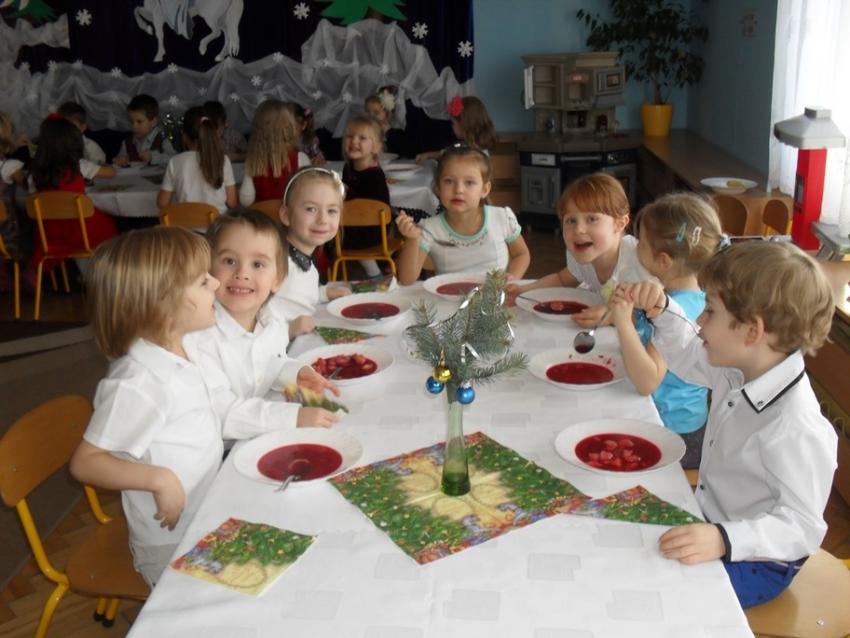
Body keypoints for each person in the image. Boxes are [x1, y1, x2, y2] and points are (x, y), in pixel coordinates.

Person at [616, 241, 836, 609]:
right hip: (712, 518)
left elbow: (801, 528)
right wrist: (662, 310)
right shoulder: (741, 368)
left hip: (757, 560)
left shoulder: (795, 426)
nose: (700, 321)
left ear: (752, 331)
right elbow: (688, 354)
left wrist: (724, 539)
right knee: (625, 545)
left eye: (710, 311)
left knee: (661, 594)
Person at [68, 227, 223, 587]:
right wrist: (159, 479)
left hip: (203, 514)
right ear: (163, 304)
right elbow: (85, 462)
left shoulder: (184, 345)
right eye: (203, 281)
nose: (216, 282)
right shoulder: (138, 382)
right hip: (170, 542)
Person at [186, 210, 340, 437]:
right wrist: (292, 418)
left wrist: (295, 373)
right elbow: (220, 411)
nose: (242, 273)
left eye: (257, 264)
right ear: (208, 270)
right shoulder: (200, 336)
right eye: (229, 261)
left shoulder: (272, 322)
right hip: (215, 449)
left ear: (277, 281)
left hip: (253, 435)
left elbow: (269, 364)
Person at [609, 193, 721, 468]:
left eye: (642, 243)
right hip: (667, 421)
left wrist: (622, 322)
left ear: (663, 261)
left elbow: (647, 381)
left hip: (675, 434)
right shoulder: (681, 297)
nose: (636, 247)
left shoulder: (677, 312)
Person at [506, 172, 651, 327]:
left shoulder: (637, 261)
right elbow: (562, 279)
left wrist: (611, 316)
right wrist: (523, 291)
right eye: (571, 221)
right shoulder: (584, 253)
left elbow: (651, 317)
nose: (579, 230)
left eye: (592, 219)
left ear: (619, 224)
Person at [395, 144, 529, 285]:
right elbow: (406, 279)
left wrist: (512, 278)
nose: (458, 189)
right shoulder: (430, 228)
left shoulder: (501, 218)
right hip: (448, 298)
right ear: (438, 187)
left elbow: (521, 254)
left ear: (484, 189)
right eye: (449, 181)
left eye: (469, 183)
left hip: (494, 296)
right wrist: (412, 239)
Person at [268, 167, 351, 339]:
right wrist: (287, 331)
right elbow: (249, 315)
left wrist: (323, 294)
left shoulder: (303, 259)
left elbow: (295, 295)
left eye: (331, 211)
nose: (323, 220)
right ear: (286, 215)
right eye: (311, 209)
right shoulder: (274, 262)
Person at [29, 115, 118, 274]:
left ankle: (85, 274)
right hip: (81, 229)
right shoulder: (80, 165)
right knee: (110, 228)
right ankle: (99, 274)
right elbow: (111, 173)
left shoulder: (34, 174)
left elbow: (34, 198)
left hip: (50, 233)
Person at [157, 105, 237, 214]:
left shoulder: (175, 162)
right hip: (217, 223)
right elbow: (232, 202)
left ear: (184, 135)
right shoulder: (223, 160)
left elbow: (162, 203)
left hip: (185, 224)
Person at [341, 114, 390, 279]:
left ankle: (375, 273)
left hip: (372, 229)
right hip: (351, 224)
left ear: (376, 147)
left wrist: (347, 193)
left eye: (362, 138)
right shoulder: (348, 168)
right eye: (350, 136)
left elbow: (374, 206)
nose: (354, 141)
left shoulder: (375, 175)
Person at [239, 99, 309, 207]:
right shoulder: (300, 158)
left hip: (262, 217)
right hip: (289, 217)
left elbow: (245, 200)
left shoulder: (253, 160)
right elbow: (307, 196)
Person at [416, 96, 498, 163]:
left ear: (464, 125)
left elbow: (454, 157)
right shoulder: (467, 145)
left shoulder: (475, 155)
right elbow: (450, 152)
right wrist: (430, 155)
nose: (452, 127)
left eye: (453, 123)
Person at [0, 112, 30, 281]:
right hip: (7, 232)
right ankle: (22, 276)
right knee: (29, 223)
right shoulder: (10, 167)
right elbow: (28, 185)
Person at [113, 94, 175, 167]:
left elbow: (173, 160)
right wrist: (120, 161)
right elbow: (120, 159)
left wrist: (153, 157)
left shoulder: (162, 140)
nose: (134, 126)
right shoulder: (127, 142)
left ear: (153, 122)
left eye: (139, 122)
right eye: (131, 122)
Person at [365, 85, 408, 158]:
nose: (371, 116)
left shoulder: (396, 133)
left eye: (376, 113)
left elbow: (402, 153)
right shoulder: (366, 132)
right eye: (368, 112)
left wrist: (388, 132)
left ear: (388, 113)